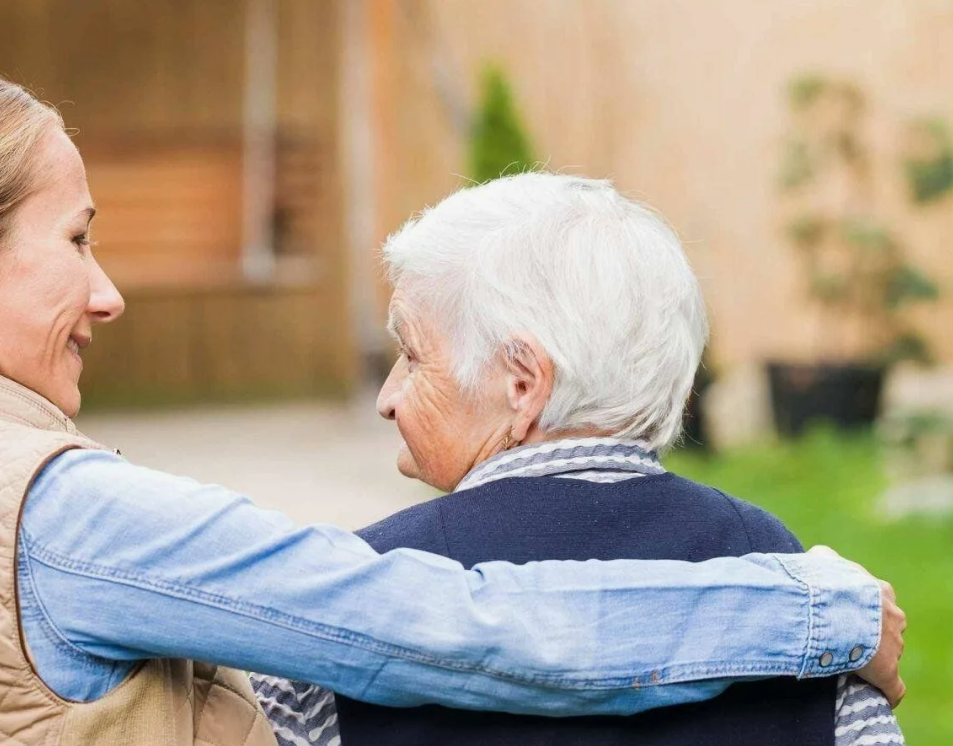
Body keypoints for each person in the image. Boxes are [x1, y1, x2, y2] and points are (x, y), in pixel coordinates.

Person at [0, 69, 903, 746]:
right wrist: (822, 607)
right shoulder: (55, 516)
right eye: (76, 241)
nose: (106, 292)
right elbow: (456, 628)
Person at [251, 174, 905, 746]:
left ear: (521, 382)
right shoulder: (803, 590)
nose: (387, 398)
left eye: (413, 355)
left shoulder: (348, 601)